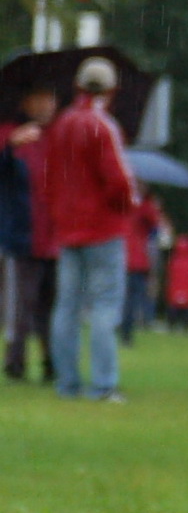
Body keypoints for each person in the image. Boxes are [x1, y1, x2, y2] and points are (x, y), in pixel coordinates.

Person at [45, 57, 136, 401]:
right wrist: (128, 208)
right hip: (103, 228)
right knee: (104, 306)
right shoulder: (103, 125)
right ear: (111, 90)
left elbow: (49, 179)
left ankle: (67, 383)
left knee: (66, 307)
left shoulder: (62, 123)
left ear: (78, 86)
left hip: (67, 229)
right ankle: (103, 384)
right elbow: (118, 182)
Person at [0, 85, 58, 383]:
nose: (49, 104)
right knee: (21, 303)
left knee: (51, 304)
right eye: (43, 98)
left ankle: (52, 361)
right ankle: (16, 361)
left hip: (55, 237)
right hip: (22, 235)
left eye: (52, 98)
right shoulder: (10, 132)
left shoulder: (57, 136)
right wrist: (9, 145)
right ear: (27, 101)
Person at [119, 184, 161, 342]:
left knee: (124, 297)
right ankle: (127, 333)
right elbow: (156, 228)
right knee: (133, 298)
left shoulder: (125, 203)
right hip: (137, 260)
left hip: (123, 257)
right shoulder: (146, 207)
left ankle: (122, 328)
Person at [166, 234, 188, 331]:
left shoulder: (174, 261)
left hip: (175, 291)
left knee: (173, 308)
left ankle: (171, 325)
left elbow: (170, 276)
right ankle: (187, 326)